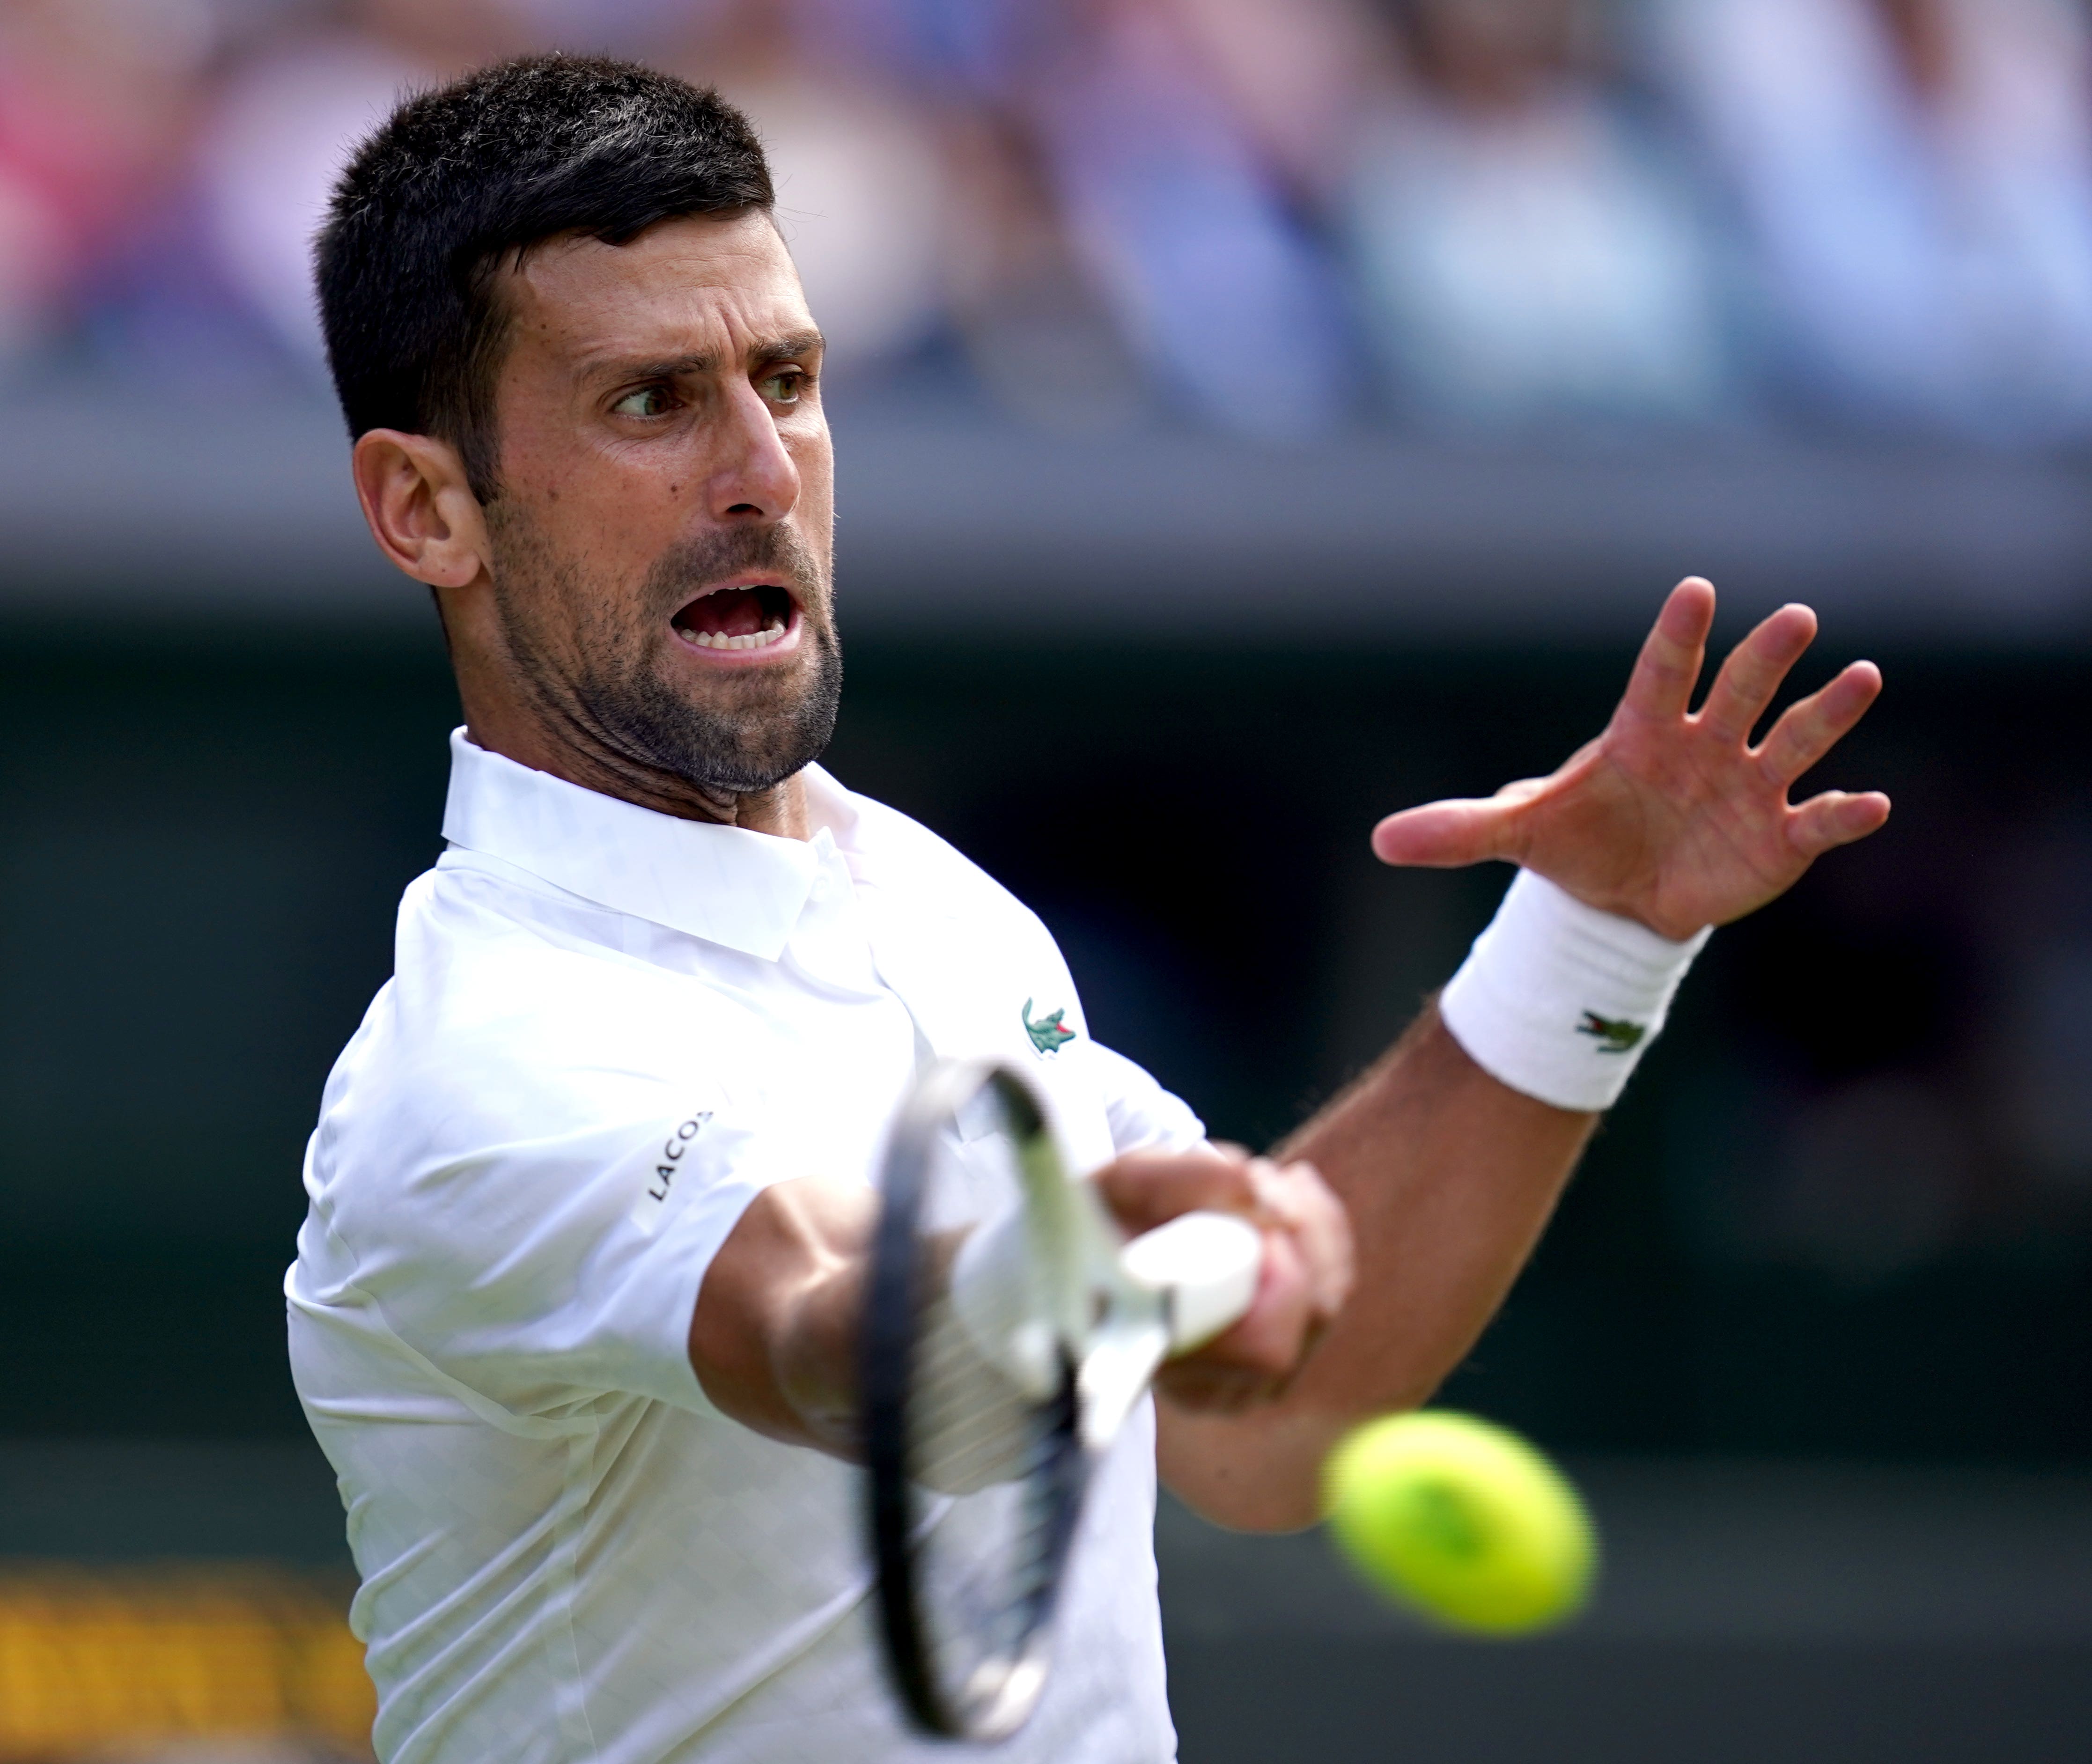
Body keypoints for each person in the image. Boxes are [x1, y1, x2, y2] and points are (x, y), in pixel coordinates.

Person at [284, 54, 1888, 1764]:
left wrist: (1595, 934)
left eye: (789, 378)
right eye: (650, 403)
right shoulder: (475, 1070)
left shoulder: (931, 903)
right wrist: (1070, 1266)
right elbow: (844, 1330)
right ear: (425, 508)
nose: (761, 470)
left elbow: (1267, 1424)